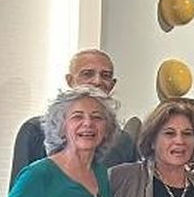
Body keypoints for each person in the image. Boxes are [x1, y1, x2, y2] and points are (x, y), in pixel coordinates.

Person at [9, 49, 136, 183]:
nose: (97, 81)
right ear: (70, 80)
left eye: (105, 75)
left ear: (112, 85)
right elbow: (19, 192)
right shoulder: (36, 130)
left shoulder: (123, 142)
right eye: (87, 74)